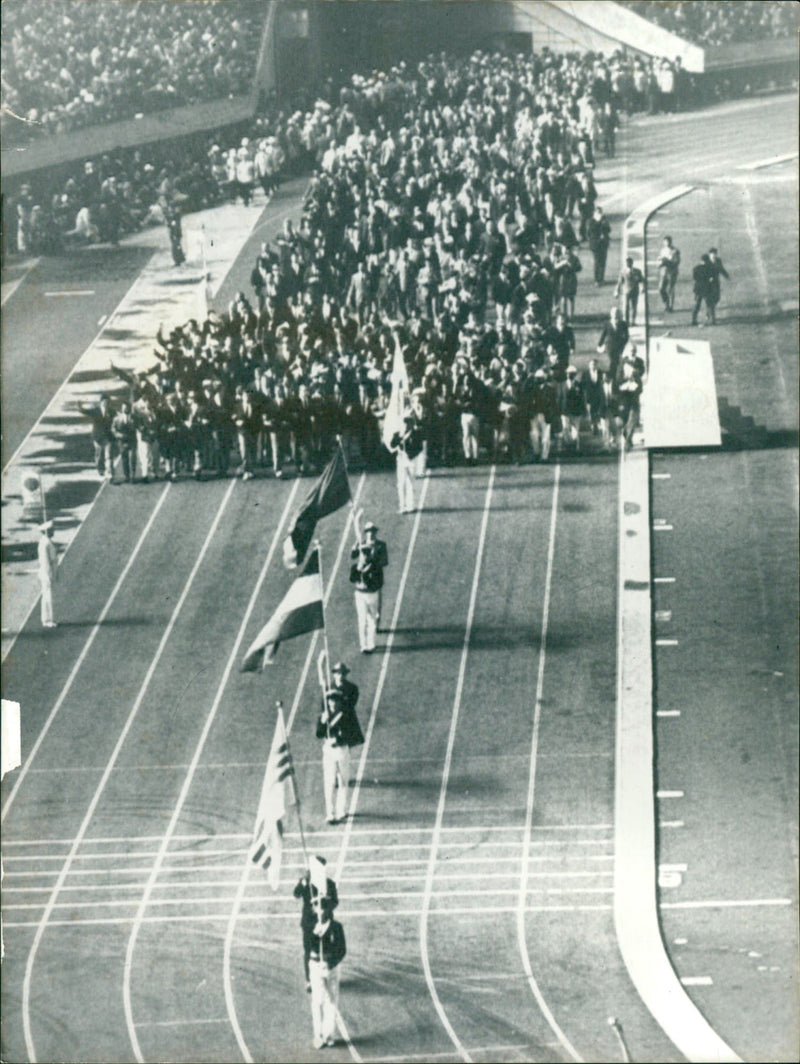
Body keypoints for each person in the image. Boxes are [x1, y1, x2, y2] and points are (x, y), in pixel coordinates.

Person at [316, 662, 364, 825]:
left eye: (334, 700)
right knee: (329, 783)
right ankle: (330, 812)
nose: (332, 703)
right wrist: (323, 723)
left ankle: (341, 810)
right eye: (329, 700)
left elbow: (349, 733)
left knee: (343, 781)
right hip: (329, 751)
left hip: (342, 749)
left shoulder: (345, 715)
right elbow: (318, 733)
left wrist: (339, 739)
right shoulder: (325, 716)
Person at [293, 855, 339, 992]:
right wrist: (303, 883)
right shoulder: (306, 883)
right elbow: (296, 893)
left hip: (324, 922)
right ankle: (310, 980)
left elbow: (335, 901)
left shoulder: (329, 884)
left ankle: (327, 975)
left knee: (327, 949)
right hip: (309, 923)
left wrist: (324, 908)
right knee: (309, 951)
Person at [307, 894, 346, 1050]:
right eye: (318, 907)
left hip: (331, 967)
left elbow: (342, 949)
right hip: (316, 966)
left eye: (324, 908)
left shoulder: (336, 927)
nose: (321, 911)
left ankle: (328, 1033)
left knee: (331, 1000)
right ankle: (318, 1035)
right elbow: (308, 947)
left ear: (329, 910)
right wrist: (315, 935)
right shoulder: (311, 926)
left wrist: (330, 963)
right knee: (317, 1001)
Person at [350, 519, 389, 646]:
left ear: (375, 533)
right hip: (365, 587)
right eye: (368, 532)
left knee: (376, 609)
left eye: (372, 531)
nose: (370, 534)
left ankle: (376, 623)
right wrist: (354, 549)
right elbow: (353, 556)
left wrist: (372, 564)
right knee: (366, 616)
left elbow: (384, 561)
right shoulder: (362, 544)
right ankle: (368, 641)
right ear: (365, 533)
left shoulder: (381, 545)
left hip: (376, 579)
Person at [389, 411, 424, 514]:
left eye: (407, 423)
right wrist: (398, 439)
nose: (405, 426)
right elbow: (392, 445)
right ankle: (402, 506)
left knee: (410, 483)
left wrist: (411, 454)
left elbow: (419, 448)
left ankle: (410, 505)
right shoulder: (398, 434)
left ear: (411, 425)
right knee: (401, 483)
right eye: (404, 423)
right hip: (400, 460)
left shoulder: (416, 434)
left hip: (411, 460)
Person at [79, 394, 115, 479]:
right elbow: (85, 411)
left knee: (108, 455)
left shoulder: (111, 412)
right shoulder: (96, 411)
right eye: (104, 402)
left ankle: (109, 472)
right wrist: (80, 407)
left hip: (108, 436)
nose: (105, 403)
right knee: (99, 455)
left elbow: (118, 417)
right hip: (97, 436)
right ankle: (100, 469)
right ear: (100, 402)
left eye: (107, 402)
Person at [596, 306, 630, 380]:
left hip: (619, 346)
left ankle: (612, 376)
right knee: (613, 360)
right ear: (611, 314)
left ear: (619, 314)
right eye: (613, 313)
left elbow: (627, 336)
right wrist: (599, 345)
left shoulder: (623, 324)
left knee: (616, 361)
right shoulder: (607, 324)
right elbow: (603, 334)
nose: (615, 315)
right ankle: (612, 376)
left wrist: (623, 343)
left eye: (616, 313)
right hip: (610, 346)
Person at [38, 521, 58, 628]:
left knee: (46, 595)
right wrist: (49, 574)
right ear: (47, 531)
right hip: (46, 573)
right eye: (51, 530)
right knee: (48, 596)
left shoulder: (46, 541)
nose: (53, 531)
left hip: (47, 572)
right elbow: (46, 561)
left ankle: (46, 618)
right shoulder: (45, 543)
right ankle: (48, 619)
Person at [615, 256, 645, 325]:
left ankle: (633, 321)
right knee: (626, 307)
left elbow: (642, 280)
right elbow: (619, 282)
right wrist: (617, 291)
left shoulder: (637, 271)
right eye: (627, 262)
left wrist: (642, 287)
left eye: (629, 262)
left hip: (635, 290)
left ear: (632, 263)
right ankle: (627, 321)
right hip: (626, 291)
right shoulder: (623, 272)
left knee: (634, 307)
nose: (628, 263)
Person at [586, 205, 611, 285]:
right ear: (594, 213)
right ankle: (597, 279)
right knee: (597, 262)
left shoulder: (604, 220)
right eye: (598, 212)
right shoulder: (591, 221)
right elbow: (590, 232)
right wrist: (600, 223)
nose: (599, 214)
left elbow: (608, 230)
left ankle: (601, 278)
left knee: (603, 261)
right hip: (596, 244)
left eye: (600, 212)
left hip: (603, 244)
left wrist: (605, 225)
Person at [706, 247, 730, 324]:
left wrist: (726, 276)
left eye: (714, 254)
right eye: (712, 254)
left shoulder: (718, 261)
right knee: (711, 300)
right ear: (709, 255)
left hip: (716, 282)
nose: (713, 256)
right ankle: (713, 319)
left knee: (717, 298)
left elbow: (721, 269)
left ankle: (709, 311)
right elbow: (703, 271)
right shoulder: (706, 261)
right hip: (708, 283)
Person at [657, 235, 681, 312]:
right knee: (661, 288)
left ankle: (670, 306)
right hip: (664, 271)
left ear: (671, 242)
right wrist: (660, 263)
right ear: (663, 242)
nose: (667, 243)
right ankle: (666, 302)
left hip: (672, 271)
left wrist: (667, 262)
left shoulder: (675, 251)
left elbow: (677, 262)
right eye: (665, 241)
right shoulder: (663, 250)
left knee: (671, 288)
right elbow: (659, 260)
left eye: (668, 241)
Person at [691, 253, 714, 326]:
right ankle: (712, 320)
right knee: (709, 305)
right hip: (706, 288)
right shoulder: (709, 268)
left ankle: (694, 320)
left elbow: (694, 278)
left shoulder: (696, 268)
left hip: (698, 288)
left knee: (697, 305)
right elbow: (711, 279)